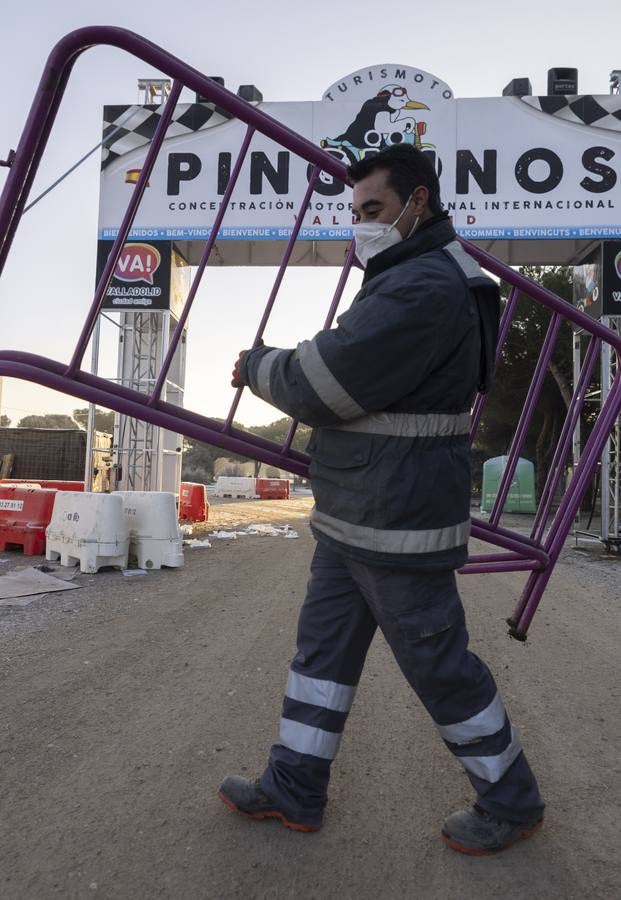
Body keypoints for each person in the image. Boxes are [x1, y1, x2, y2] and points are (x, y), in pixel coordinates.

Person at [218, 145, 545, 855]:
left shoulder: (422, 285)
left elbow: (322, 384)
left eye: (372, 210)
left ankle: (511, 801)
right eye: (354, 212)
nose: (359, 226)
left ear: (417, 201)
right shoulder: (414, 272)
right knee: (321, 657)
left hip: (395, 520)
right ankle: (293, 787)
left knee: (439, 666)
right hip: (356, 513)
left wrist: (259, 366)